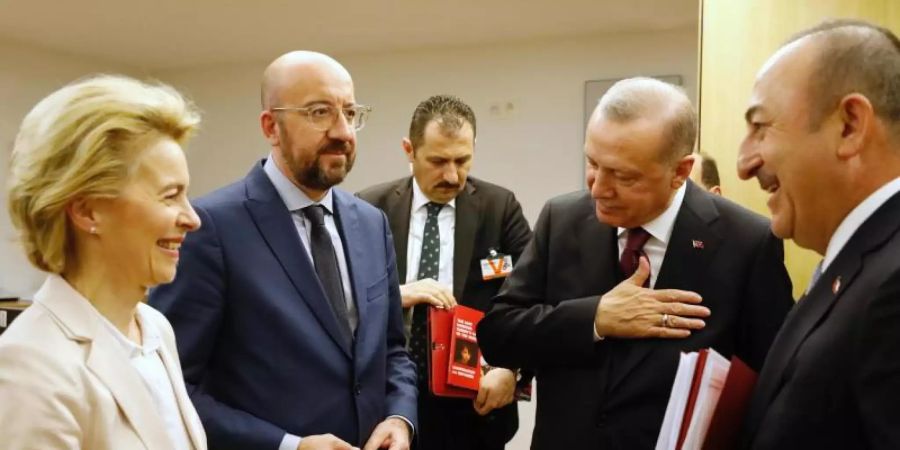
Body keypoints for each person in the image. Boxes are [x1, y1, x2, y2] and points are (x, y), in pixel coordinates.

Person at [476, 77, 794, 450]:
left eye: (623, 176)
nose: (597, 188)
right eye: (593, 163)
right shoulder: (561, 219)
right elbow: (499, 336)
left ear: (680, 171)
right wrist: (595, 318)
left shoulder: (746, 242)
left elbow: (778, 387)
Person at [148, 51, 416, 450]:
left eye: (350, 112)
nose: (343, 131)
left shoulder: (371, 224)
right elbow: (170, 385)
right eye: (319, 112)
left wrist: (399, 417)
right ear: (271, 126)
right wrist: (288, 445)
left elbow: (392, 351)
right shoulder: (212, 228)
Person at [0, 75, 207, 450]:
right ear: (87, 210)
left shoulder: (155, 330)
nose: (193, 218)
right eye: (170, 196)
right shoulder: (30, 367)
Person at [738, 19, 900, 450]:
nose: (744, 162)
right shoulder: (853, 268)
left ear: (849, 126)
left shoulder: (892, 285)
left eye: (760, 127)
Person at [358, 94, 532, 450]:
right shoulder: (368, 208)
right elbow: (339, 297)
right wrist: (398, 294)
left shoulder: (500, 208)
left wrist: (513, 371)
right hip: (387, 403)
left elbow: (536, 297)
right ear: (409, 150)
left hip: (473, 405)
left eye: (462, 160)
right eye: (437, 161)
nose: (452, 175)